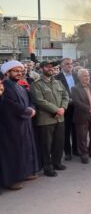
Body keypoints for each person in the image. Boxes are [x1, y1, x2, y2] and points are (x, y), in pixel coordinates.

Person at [0, 61, 40, 190]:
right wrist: (27, 111)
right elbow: (9, 104)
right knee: (13, 152)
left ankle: (25, 173)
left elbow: (31, 100)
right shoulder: (4, 86)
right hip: (11, 125)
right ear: (7, 73)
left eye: (20, 71)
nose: (19, 73)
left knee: (26, 148)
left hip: (25, 123)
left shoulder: (20, 86)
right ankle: (12, 180)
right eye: (15, 71)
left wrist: (32, 108)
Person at [30, 61, 70, 177]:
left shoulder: (58, 82)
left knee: (59, 142)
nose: (51, 68)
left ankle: (57, 163)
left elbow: (65, 96)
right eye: (48, 67)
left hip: (60, 118)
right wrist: (56, 110)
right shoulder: (36, 84)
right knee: (46, 145)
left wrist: (62, 108)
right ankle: (48, 167)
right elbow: (39, 101)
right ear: (42, 68)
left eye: (53, 67)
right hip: (46, 120)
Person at [71, 69, 91, 164]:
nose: (87, 77)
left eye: (88, 75)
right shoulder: (75, 88)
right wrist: (89, 109)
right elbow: (77, 102)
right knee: (82, 137)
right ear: (80, 77)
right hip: (82, 116)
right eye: (85, 76)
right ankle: (83, 154)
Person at [55, 58, 78, 161]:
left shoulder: (76, 76)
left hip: (77, 107)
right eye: (67, 64)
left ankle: (76, 150)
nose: (70, 66)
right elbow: (56, 93)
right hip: (65, 107)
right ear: (62, 66)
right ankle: (67, 152)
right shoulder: (57, 78)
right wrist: (66, 101)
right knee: (66, 131)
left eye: (71, 64)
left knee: (76, 129)